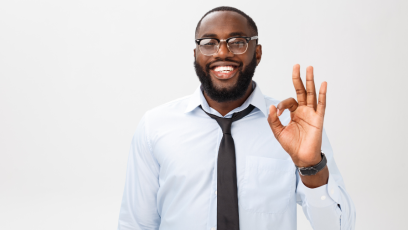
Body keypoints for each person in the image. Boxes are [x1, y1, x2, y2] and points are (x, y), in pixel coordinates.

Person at [118, 6, 356, 230]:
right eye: (209, 43)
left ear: (258, 52)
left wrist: (311, 167)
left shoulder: (294, 125)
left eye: (238, 42)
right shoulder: (155, 126)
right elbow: (136, 224)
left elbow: (337, 225)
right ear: (196, 54)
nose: (222, 52)